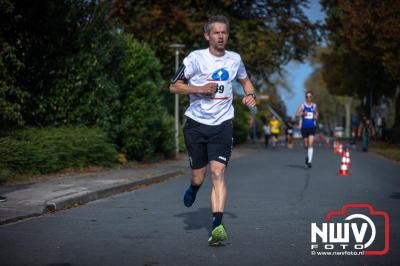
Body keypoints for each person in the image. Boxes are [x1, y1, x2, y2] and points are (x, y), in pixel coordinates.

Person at [169, 15, 256, 246]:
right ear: (207, 35)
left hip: (222, 123)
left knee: (218, 173)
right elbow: (173, 85)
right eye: (216, 32)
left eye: (224, 33)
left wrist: (250, 95)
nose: (220, 36)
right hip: (196, 124)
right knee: (200, 175)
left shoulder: (235, 59)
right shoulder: (195, 59)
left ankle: (217, 226)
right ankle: (193, 187)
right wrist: (199, 88)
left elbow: (246, 81)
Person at [296, 91, 319, 168]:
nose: (308, 98)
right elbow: (296, 114)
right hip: (304, 127)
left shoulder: (314, 105)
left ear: (312, 97)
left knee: (310, 143)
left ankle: (309, 161)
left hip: (312, 126)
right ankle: (307, 156)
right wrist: (302, 114)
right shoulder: (302, 106)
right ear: (305, 97)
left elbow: (317, 114)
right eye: (307, 97)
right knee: (306, 145)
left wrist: (315, 116)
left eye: (310, 97)